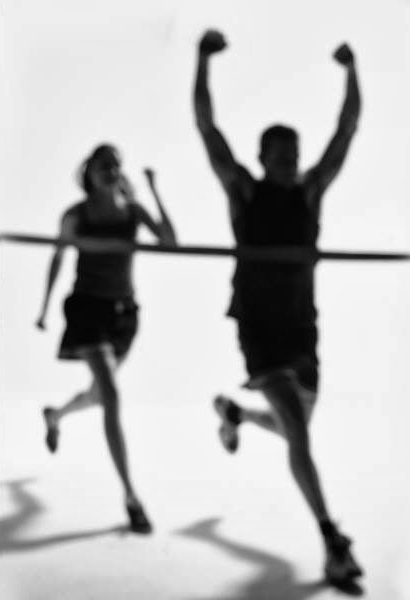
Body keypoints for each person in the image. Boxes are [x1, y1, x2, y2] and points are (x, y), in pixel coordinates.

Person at [194, 30, 363, 586]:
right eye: (281, 156)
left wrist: (352, 71)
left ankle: (237, 414)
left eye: (295, 155)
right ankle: (332, 539)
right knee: (296, 425)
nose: (291, 163)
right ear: (263, 158)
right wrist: (202, 60)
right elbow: (208, 130)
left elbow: (345, 131)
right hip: (260, 329)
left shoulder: (310, 192)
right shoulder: (244, 192)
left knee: (296, 430)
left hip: (302, 329)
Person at [35, 145, 177, 533]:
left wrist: (154, 190)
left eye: (115, 165)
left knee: (100, 395)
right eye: (103, 166)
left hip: (124, 316)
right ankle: (131, 496)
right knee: (111, 395)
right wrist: (44, 308)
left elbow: (170, 241)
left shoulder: (133, 210)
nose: (111, 170)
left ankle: (56, 415)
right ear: (89, 172)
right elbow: (58, 257)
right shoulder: (76, 214)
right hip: (87, 312)